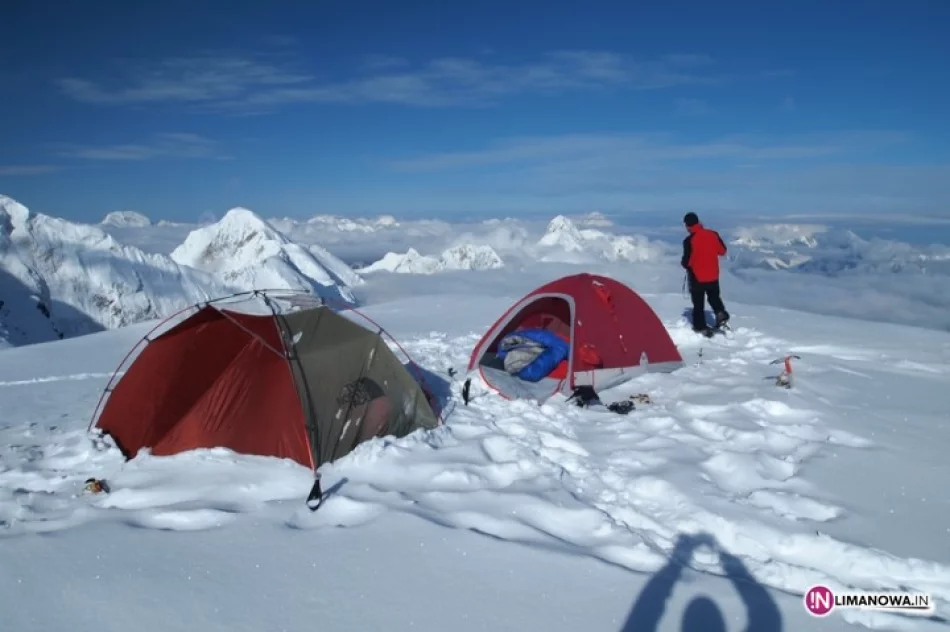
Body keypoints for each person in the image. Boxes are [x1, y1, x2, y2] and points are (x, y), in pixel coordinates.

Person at [681, 212, 730, 333]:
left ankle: (700, 327)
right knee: (714, 297)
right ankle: (720, 313)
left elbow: (687, 262)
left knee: (698, 303)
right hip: (713, 274)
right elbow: (722, 251)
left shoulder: (689, 241)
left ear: (687, 225)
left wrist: (686, 264)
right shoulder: (713, 234)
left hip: (697, 277)